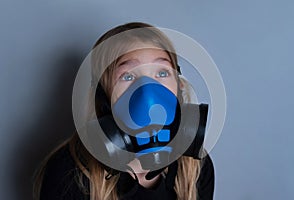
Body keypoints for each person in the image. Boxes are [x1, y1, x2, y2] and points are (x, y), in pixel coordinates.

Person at [33, 22, 215, 200]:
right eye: (128, 76)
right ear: (103, 97)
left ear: (179, 87)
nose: (147, 92)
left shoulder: (194, 169)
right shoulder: (69, 173)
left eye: (162, 73)